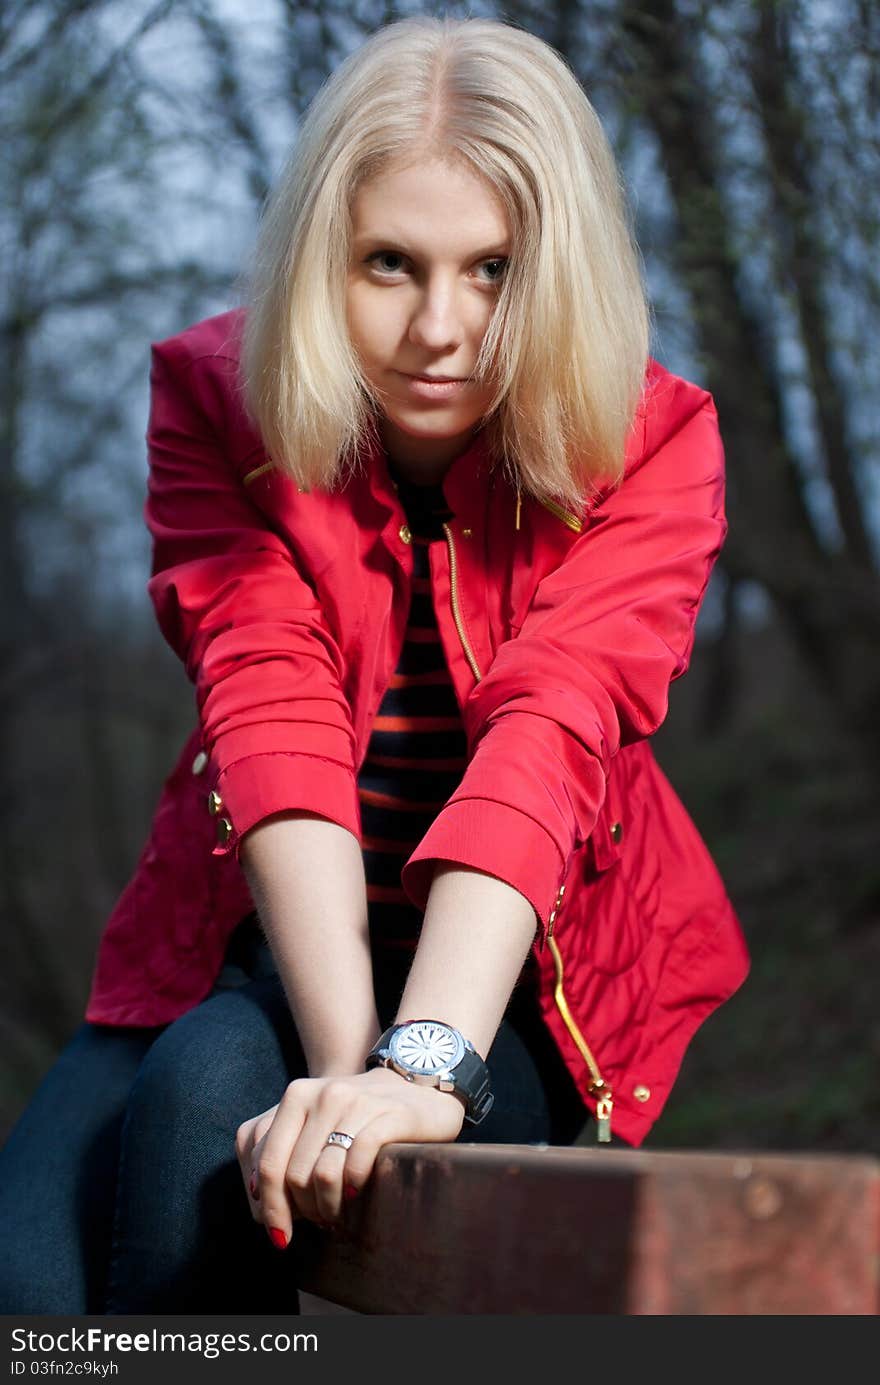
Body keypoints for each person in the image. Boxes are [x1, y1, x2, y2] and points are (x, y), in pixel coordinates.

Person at [0, 15, 750, 1314]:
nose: (440, 328)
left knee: (198, 1117)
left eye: (494, 269)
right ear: (319, 257)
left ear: (555, 267)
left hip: (526, 981)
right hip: (265, 939)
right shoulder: (216, 402)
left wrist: (424, 1067)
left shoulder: (659, 441)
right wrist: (358, 1067)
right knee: (29, 1278)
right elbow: (266, 703)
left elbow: (553, 726)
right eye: (390, 263)